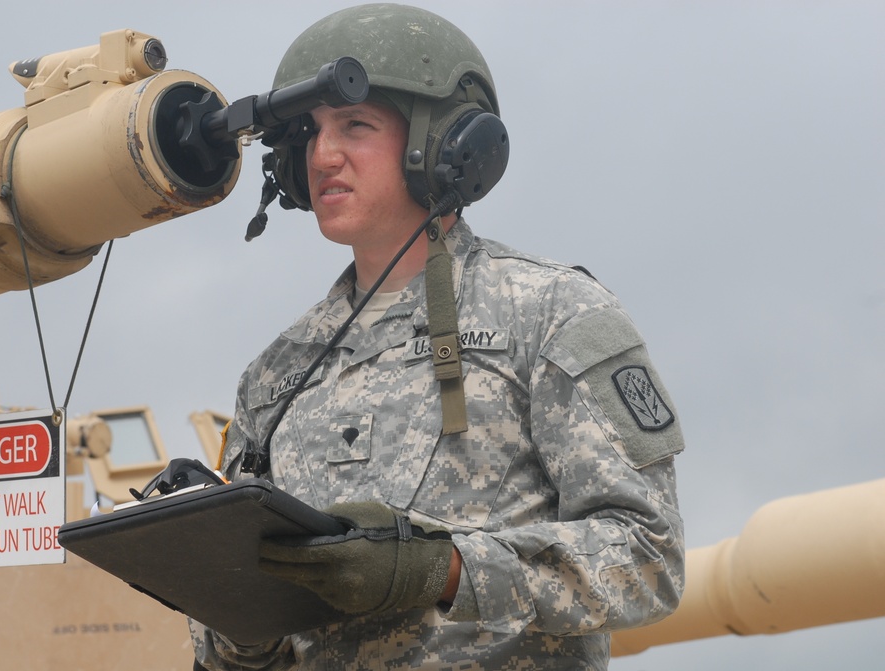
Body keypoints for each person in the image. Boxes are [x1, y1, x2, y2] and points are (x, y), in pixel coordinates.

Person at [190, 4, 685, 669]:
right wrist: (236, 622)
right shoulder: (275, 375)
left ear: (445, 143)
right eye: (306, 134)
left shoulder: (551, 312)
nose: (322, 154)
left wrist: (445, 570)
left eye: (355, 125)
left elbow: (648, 558)